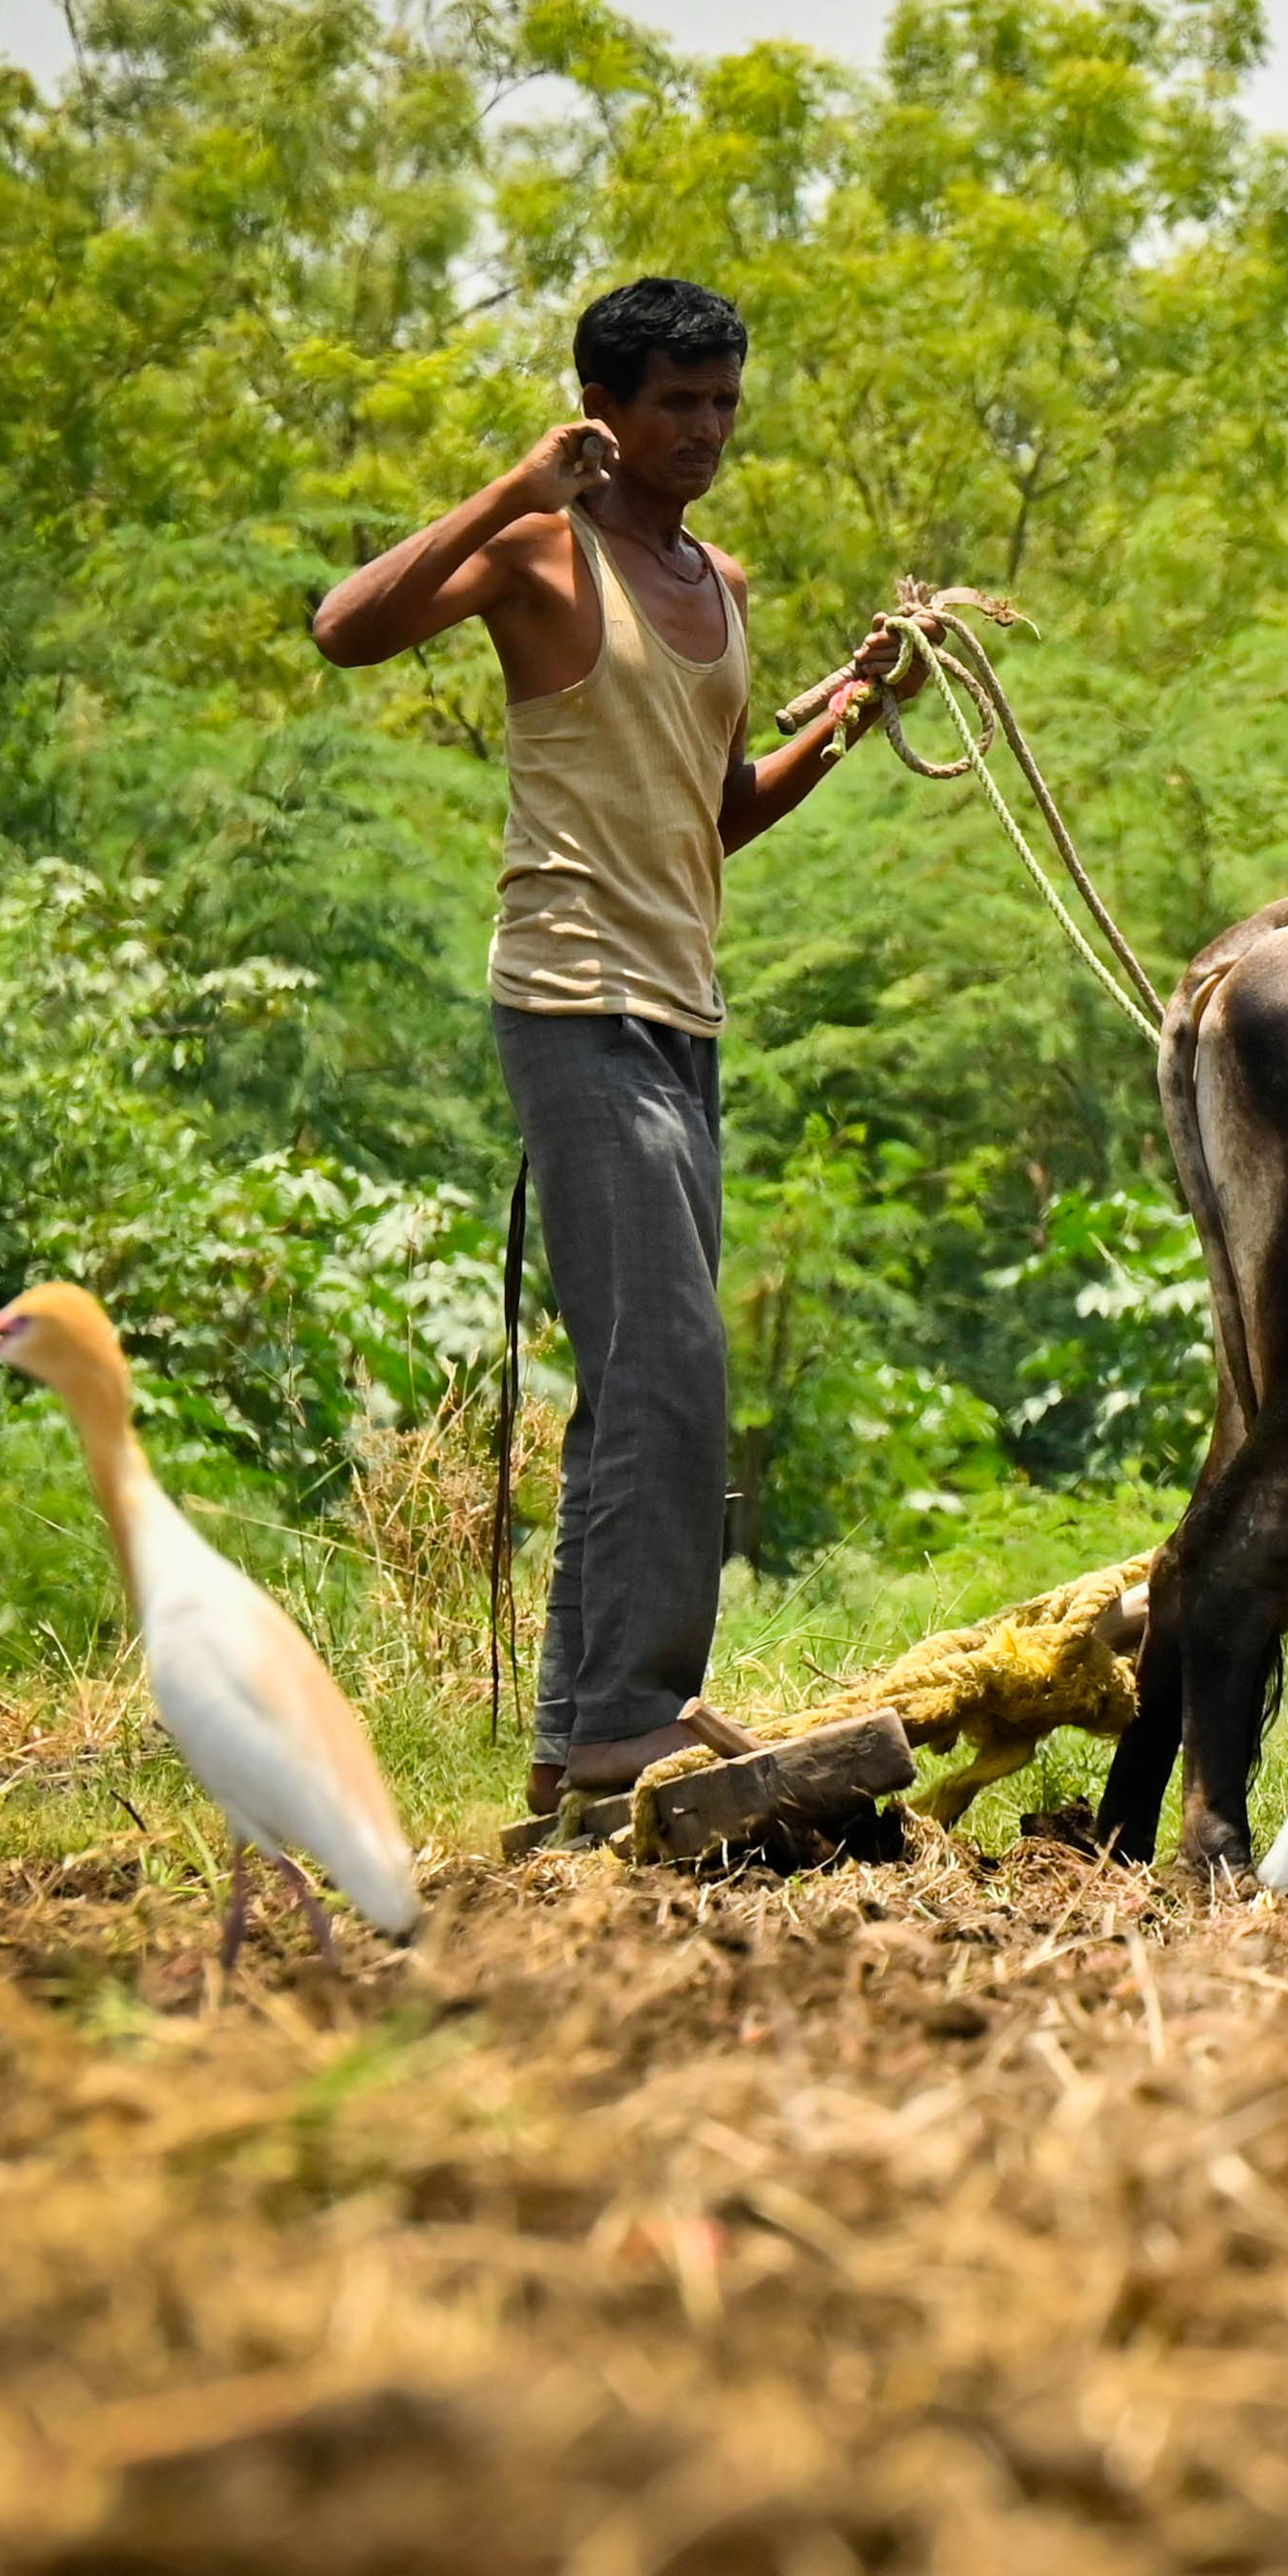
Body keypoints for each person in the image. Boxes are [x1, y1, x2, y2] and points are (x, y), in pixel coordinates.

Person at [312, 277, 907, 1816]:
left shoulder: (718, 575)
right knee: (672, 1368)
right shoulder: (539, 551)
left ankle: (578, 1737)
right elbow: (345, 631)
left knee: (639, 1372)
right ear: (604, 409)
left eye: (722, 403)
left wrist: (849, 707)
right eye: (674, 405)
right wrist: (511, 484)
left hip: (682, 1008)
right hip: (574, 1000)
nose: (705, 431)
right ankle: (637, 1716)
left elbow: (724, 814)